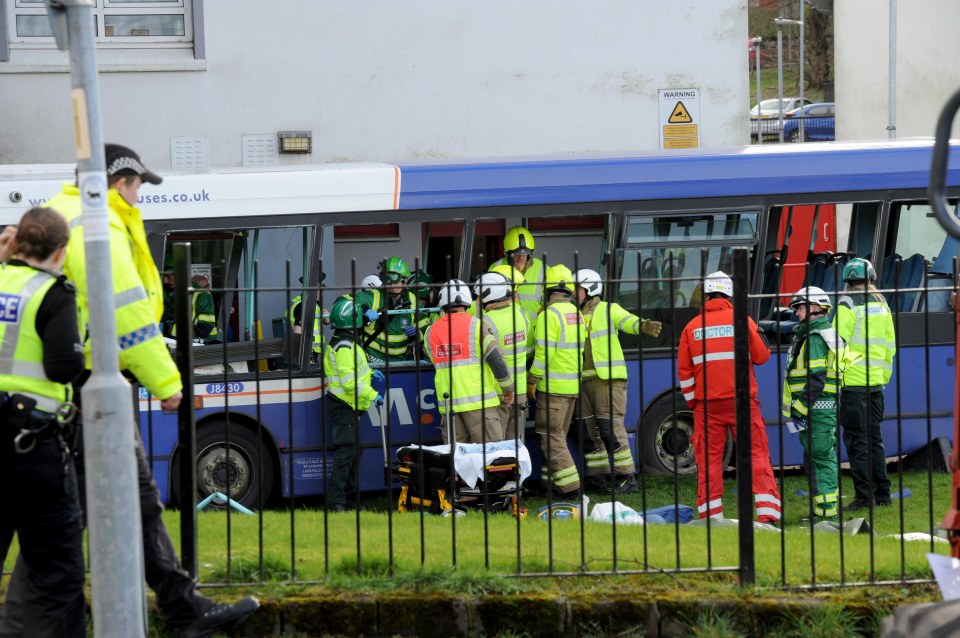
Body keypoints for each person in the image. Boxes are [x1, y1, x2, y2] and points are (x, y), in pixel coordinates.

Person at [44, 144, 259, 636]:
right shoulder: (97, 222)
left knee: (120, 501)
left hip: (80, 382)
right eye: (139, 185)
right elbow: (126, 310)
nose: (141, 195)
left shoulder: (65, 213)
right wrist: (166, 381)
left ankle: (182, 607)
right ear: (120, 180)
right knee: (72, 512)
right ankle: (178, 608)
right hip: (92, 385)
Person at [0, 208, 86, 637]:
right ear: (61, 252)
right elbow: (63, 365)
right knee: (59, 573)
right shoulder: (53, 292)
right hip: (30, 445)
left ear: (15, 244)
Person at [677, 271, 781, 525]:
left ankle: (712, 517)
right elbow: (762, 356)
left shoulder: (691, 328)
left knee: (709, 461)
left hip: (707, 407)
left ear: (707, 294)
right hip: (743, 403)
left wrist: (695, 403)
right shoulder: (741, 320)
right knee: (756, 454)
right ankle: (767, 514)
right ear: (729, 294)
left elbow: (685, 373)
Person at [574, 268, 662, 494]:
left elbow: (627, 321)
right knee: (588, 431)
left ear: (591, 289)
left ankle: (626, 477)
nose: (574, 293)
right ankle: (597, 477)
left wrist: (643, 325)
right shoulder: (572, 315)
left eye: (579, 289)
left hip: (608, 380)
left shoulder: (607, 309)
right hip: (582, 382)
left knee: (609, 428)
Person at [835, 258, 894, 512]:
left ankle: (863, 496)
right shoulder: (882, 305)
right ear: (871, 279)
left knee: (857, 442)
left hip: (854, 385)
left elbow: (837, 343)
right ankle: (883, 494)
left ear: (848, 281)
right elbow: (890, 346)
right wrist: (882, 376)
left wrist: (837, 376)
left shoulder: (846, 303)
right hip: (876, 386)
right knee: (875, 440)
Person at [425, 279, 515, 443]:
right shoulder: (477, 325)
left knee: (459, 461)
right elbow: (497, 361)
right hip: (481, 407)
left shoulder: (430, 332)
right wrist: (508, 389)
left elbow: (435, 360)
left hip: (450, 407)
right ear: (467, 300)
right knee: (491, 458)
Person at [783, 286, 844, 525]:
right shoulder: (815, 334)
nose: (797, 313)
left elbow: (816, 378)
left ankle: (828, 515)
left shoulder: (817, 337)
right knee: (817, 458)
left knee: (821, 458)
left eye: (800, 308)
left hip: (816, 409)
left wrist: (800, 407)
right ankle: (822, 512)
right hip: (818, 409)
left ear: (816, 307)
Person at [526, 264, 585, 497]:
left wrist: (532, 379)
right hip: (572, 387)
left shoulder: (548, 315)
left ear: (548, 290)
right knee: (556, 435)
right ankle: (552, 485)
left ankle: (571, 488)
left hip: (553, 388)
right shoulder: (577, 314)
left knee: (551, 436)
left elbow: (543, 354)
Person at [323, 295, 384, 512]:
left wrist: (369, 372)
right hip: (344, 405)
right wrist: (372, 394)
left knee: (353, 453)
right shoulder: (345, 346)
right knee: (346, 455)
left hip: (347, 406)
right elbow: (350, 383)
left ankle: (349, 501)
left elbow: (353, 372)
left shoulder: (344, 342)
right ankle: (337, 503)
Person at [475, 271, 530, 441]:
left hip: (500, 393)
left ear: (488, 295)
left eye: (478, 296)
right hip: (520, 391)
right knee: (516, 446)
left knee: (498, 449)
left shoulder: (485, 321)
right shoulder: (521, 313)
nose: (476, 300)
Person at [357, 256, 429, 363]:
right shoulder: (373, 296)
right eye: (388, 283)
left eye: (396, 283)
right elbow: (345, 301)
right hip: (373, 359)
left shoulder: (414, 301)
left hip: (401, 361)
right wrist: (364, 309)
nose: (392, 287)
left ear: (405, 281)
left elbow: (426, 328)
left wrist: (418, 333)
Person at [488, 225, 544, 329]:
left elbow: (550, 302)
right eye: (516, 254)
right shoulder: (495, 268)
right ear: (507, 253)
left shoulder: (544, 269)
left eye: (525, 254)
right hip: (504, 328)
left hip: (534, 328)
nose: (520, 257)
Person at [160, 262, 218, 341]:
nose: (165, 280)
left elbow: (203, 330)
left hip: (201, 345)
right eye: (163, 276)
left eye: (169, 276)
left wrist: (168, 328)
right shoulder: (164, 291)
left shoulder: (202, 295)